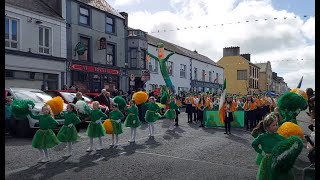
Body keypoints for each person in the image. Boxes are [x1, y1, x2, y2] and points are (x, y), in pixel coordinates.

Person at [251, 112, 303, 180]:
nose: (276, 126)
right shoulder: (262, 137)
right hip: (267, 161)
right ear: (267, 127)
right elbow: (254, 144)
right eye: (274, 125)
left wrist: (294, 144)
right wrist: (261, 152)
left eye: (276, 124)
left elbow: (287, 144)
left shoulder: (280, 137)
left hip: (278, 160)